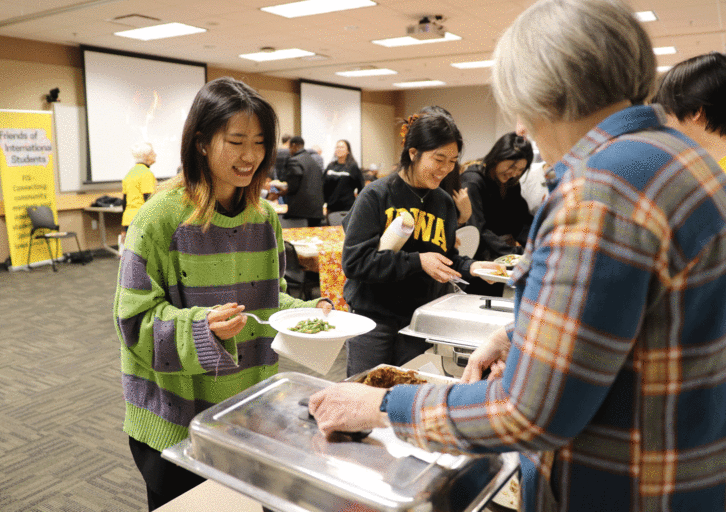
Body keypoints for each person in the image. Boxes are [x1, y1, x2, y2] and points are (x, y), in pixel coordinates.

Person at [309, 1, 726, 511]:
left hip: (621, 487)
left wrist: (383, 404)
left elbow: (529, 410)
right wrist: (519, 331)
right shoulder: (685, 162)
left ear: (544, 94)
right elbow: (642, 316)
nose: (525, 129)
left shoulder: (598, 192)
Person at [114, 77, 332, 511]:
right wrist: (202, 328)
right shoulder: (160, 217)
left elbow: (269, 302)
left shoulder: (264, 216)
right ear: (200, 142)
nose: (250, 156)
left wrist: (313, 312)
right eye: (235, 141)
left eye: (259, 142)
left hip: (246, 415)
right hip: (175, 423)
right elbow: (133, 322)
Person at [340, 110, 504, 377]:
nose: (446, 169)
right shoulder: (377, 195)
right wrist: (418, 260)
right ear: (413, 152)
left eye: (452, 161)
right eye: (438, 159)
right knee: (363, 391)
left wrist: (472, 268)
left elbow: (445, 257)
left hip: (418, 320)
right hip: (373, 319)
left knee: (408, 393)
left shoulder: (443, 203)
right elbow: (355, 262)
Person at [462, 132, 534, 261]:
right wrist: (515, 252)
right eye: (512, 166)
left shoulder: (511, 183)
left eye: (520, 170)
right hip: (476, 257)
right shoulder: (473, 181)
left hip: (499, 254)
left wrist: (535, 245)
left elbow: (521, 221)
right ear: (497, 157)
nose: (514, 173)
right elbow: (478, 229)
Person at [652, 51, 726, 171]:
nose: (661, 125)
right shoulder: (708, 170)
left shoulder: (715, 179)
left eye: (664, 113)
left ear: (694, 112)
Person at [120, 141, 157, 253]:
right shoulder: (146, 173)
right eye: (152, 153)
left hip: (129, 219)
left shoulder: (129, 173)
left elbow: (124, 202)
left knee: (134, 253)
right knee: (146, 253)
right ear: (145, 156)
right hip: (142, 219)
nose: (155, 155)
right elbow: (149, 198)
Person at [281, 135, 325, 227]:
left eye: (290, 148)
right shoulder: (312, 161)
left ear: (293, 146)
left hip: (300, 212)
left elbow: (293, 186)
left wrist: (283, 191)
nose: (289, 151)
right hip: (317, 210)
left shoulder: (294, 161)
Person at [322, 139, 365, 214]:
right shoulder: (330, 166)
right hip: (331, 207)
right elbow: (323, 185)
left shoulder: (352, 166)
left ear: (348, 151)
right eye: (337, 147)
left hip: (347, 207)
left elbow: (361, 187)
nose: (339, 149)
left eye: (342, 147)